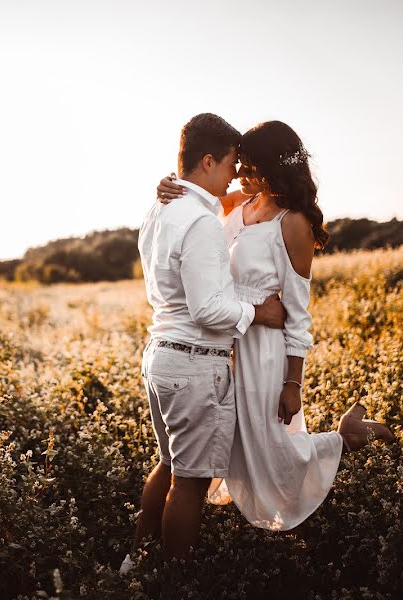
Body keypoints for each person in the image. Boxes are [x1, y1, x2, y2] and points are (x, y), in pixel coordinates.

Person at [155, 120, 395, 532]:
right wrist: (166, 186)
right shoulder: (237, 205)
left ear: (272, 168)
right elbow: (196, 197)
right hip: (222, 344)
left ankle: (348, 437)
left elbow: (298, 315)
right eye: (240, 165)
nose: (241, 175)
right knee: (229, 447)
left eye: (250, 167)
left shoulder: (293, 222)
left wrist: (292, 384)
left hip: (263, 351)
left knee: (273, 452)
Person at [124, 113, 288, 572]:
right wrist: (261, 312)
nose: (236, 172)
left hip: (162, 355)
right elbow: (208, 309)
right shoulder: (200, 221)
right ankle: (177, 582)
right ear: (209, 159)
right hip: (193, 364)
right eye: (232, 162)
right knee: (191, 481)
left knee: (167, 463)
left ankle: (133, 561)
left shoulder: (160, 207)